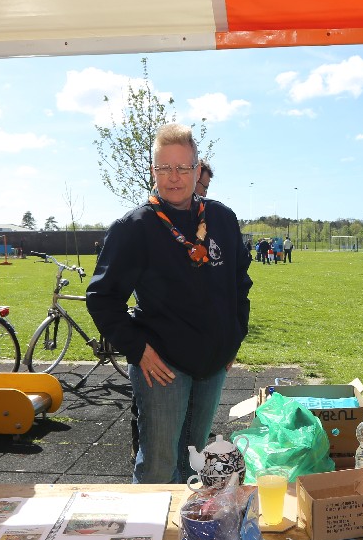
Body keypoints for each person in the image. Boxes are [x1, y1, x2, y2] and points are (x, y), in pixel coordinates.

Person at [87, 123, 251, 484]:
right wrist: (138, 350)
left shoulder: (222, 219)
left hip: (212, 366)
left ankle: (184, 521)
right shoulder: (134, 227)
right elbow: (102, 297)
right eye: (164, 168)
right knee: (158, 467)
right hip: (163, 366)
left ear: (197, 170)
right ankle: (149, 521)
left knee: (193, 460)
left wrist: (233, 338)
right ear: (153, 171)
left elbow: (240, 284)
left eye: (182, 168)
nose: (174, 178)